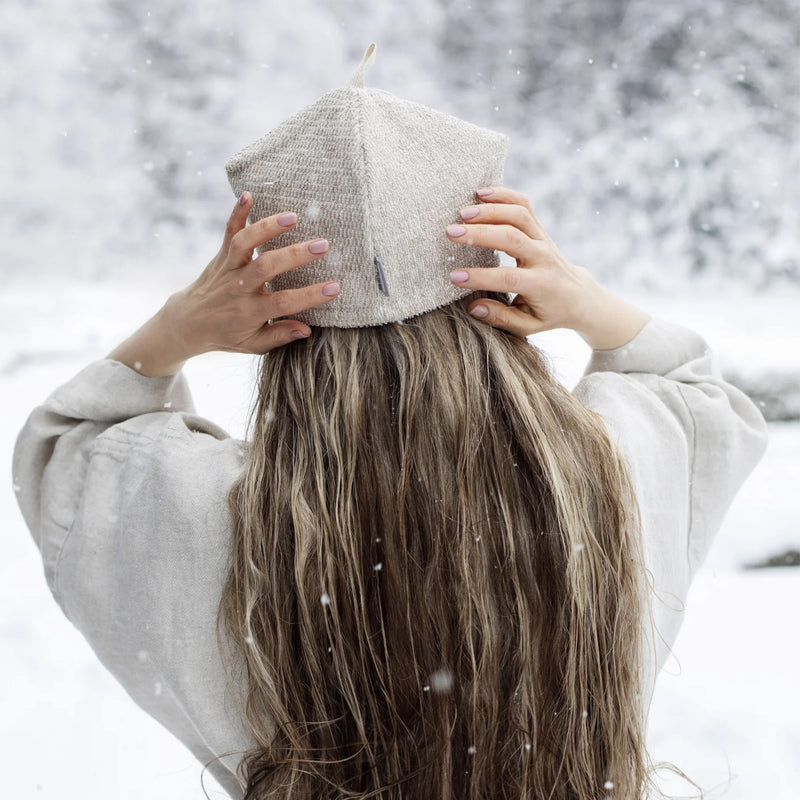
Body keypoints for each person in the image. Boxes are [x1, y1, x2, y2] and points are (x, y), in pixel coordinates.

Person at [13, 46, 767, 800]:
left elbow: (65, 453)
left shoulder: (212, 521)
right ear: (503, 298)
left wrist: (177, 327)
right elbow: (698, 399)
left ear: (277, 326)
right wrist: (588, 300)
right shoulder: (608, 480)